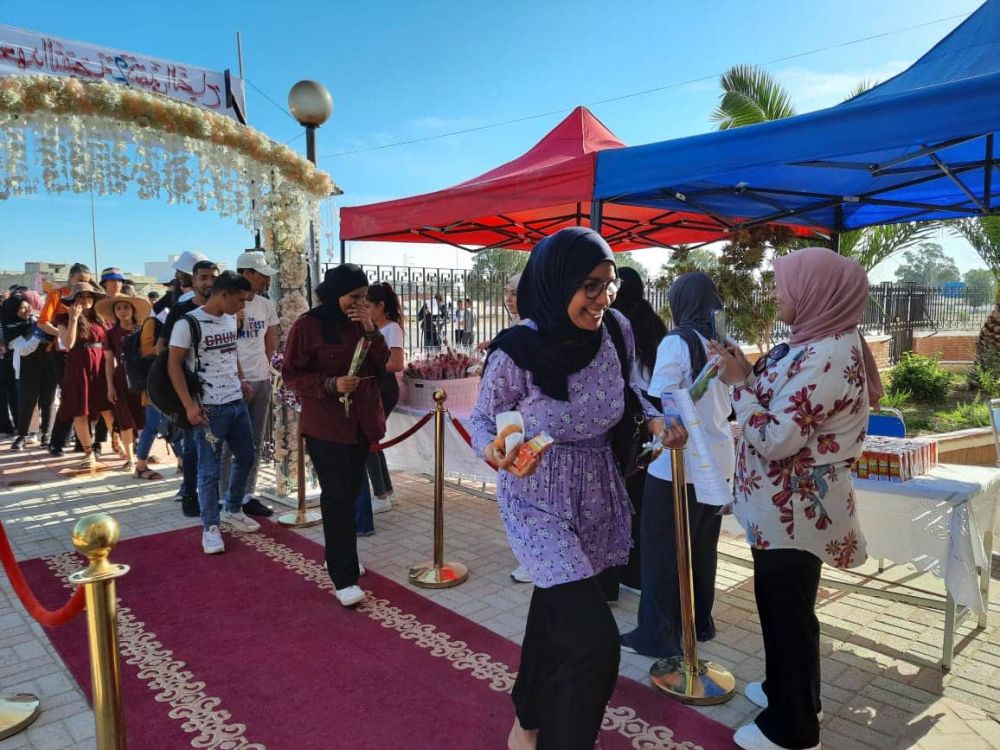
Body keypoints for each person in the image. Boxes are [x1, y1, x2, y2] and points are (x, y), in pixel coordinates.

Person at [468, 227, 671, 750]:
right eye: (590, 286)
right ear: (557, 283)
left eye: (609, 284)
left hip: (597, 489)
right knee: (594, 644)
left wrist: (654, 419)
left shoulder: (616, 329)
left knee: (554, 612)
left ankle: (527, 723)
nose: (603, 298)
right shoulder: (516, 349)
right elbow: (483, 420)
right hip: (536, 497)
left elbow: (631, 388)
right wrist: (494, 450)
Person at [711, 247, 882, 750]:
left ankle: (794, 729)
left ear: (814, 292)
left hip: (793, 511)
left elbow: (777, 438)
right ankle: (788, 692)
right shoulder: (814, 342)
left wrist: (738, 386)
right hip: (781, 509)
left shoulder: (828, 354)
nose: (776, 292)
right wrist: (746, 371)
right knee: (784, 608)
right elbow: (777, 398)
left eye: (785, 284)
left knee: (788, 613)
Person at [619, 271, 734, 659]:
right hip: (718, 458)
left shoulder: (677, 341)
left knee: (662, 549)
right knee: (701, 547)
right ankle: (698, 622)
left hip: (679, 460)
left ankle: (657, 634)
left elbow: (664, 396)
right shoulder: (723, 343)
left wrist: (664, 428)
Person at [282, 265, 389, 608]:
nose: (360, 303)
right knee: (337, 496)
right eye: (353, 297)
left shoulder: (362, 324)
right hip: (326, 425)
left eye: (364, 298)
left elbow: (383, 363)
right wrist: (330, 384)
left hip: (359, 422)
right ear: (334, 294)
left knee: (351, 491)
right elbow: (291, 375)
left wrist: (370, 330)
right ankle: (344, 576)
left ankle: (338, 554)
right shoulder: (308, 326)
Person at [168, 271, 260, 555]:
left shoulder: (230, 319)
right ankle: (210, 526)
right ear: (224, 294)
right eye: (240, 300)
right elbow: (173, 365)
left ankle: (233, 507)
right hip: (208, 408)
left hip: (236, 402)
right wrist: (189, 405)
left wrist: (241, 379)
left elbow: (231, 352)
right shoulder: (188, 323)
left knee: (247, 456)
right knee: (209, 470)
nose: (242, 307)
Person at [600, 266, 668, 600]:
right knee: (640, 502)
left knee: (616, 503)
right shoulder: (655, 323)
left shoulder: (613, 323)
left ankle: (612, 578)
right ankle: (638, 574)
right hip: (652, 423)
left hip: (625, 424)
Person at [219, 250, 280, 518]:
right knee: (228, 443)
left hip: (260, 380)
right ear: (247, 274)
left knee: (254, 442)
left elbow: (271, 339)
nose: (267, 280)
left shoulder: (266, 305)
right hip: (231, 383)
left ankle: (246, 494)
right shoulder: (227, 305)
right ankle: (223, 496)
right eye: (262, 274)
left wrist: (267, 369)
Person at [159, 259, 219, 517]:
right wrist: (179, 383)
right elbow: (163, 348)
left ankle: (214, 494)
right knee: (194, 443)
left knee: (215, 444)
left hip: (219, 389)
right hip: (191, 390)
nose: (208, 283)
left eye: (213, 277)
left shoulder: (222, 308)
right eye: (203, 277)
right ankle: (189, 492)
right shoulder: (181, 310)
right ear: (193, 281)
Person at [355, 281, 405, 529]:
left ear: (381, 306)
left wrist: (367, 363)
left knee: (367, 440)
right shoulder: (373, 328)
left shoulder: (391, 329)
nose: (366, 310)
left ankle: (380, 495)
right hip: (373, 387)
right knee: (371, 439)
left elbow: (396, 363)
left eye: (369, 306)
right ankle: (386, 490)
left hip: (384, 387)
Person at [54, 281, 114, 470]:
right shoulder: (64, 318)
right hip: (78, 366)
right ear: (73, 299)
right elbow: (68, 344)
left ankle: (118, 442)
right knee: (80, 410)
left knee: (107, 407)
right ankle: (88, 453)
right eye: (81, 296)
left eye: (89, 296)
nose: (86, 299)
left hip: (100, 364)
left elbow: (110, 343)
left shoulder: (102, 318)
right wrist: (73, 319)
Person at [39, 263, 91, 456]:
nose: (83, 284)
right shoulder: (57, 294)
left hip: (85, 352)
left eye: (87, 281)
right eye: (80, 280)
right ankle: (58, 441)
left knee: (85, 395)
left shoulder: (90, 296)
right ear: (70, 278)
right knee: (70, 394)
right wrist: (63, 333)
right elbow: (43, 322)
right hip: (62, 351)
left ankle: (81, 440)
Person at [98, 292, 152, 471]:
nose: (122, 311)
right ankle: (130, 459)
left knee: (146, 419)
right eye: (118, 308)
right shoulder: (110, 334)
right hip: (121, 379)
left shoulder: (143, 330)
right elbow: (108, 362)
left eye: (126, 307)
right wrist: (110, 386)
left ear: (133, 310)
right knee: (125, 420)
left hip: (143, 379)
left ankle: (143, 455)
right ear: (114, 312)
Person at [5, 292, 55, 450]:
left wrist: (43, 327)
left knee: (48, 401)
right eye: (21, 308)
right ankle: (22, 436)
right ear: (13, 311)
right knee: (27, 402)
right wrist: (38, 334)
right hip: (26, 369)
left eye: (27, 306)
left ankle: (46, 434)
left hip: (48, 366)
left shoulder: (36, 319)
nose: (26, 310)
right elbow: (25, 349)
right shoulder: (10, 328)